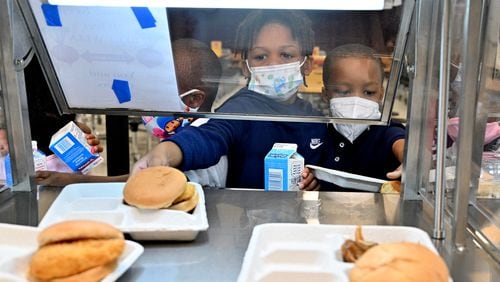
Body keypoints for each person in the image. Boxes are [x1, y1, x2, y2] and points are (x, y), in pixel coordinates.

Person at [132, 10, 326, 190]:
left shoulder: (315, 119)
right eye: (261, 56)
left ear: (307, 65)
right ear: (245, 67)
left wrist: (315, 183)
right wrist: (167, 151)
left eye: (286, 55)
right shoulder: (240, 109)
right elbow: (209, 135)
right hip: (249, 222)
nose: (273, 64)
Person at [36, 38, 225, 187]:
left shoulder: (203, 145)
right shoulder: (184, 131)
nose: (151, 100)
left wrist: (69, 181)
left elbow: (143, 183)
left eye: (162, 90)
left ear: (193, 100)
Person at [304, 44, 405, 191]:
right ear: (326, 94)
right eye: (344, 92)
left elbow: (402, 144)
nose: (356, 101)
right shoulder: (317, 133)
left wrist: (409, 161)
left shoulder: (386, 131)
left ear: (381, 94)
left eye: (369, 92)